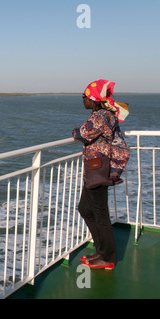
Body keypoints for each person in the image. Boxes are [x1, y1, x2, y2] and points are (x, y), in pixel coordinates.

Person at [72, 79, 130, 270]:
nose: (82, 100)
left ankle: (108, 257)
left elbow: (81, 134)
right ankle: (102, 250)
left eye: (84, 97)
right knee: (85, 209)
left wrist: (74, 132)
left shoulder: (100, 117)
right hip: (95, 169)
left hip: (98, 169)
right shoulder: (105, 114)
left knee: (100, 213)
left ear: (93, 99)